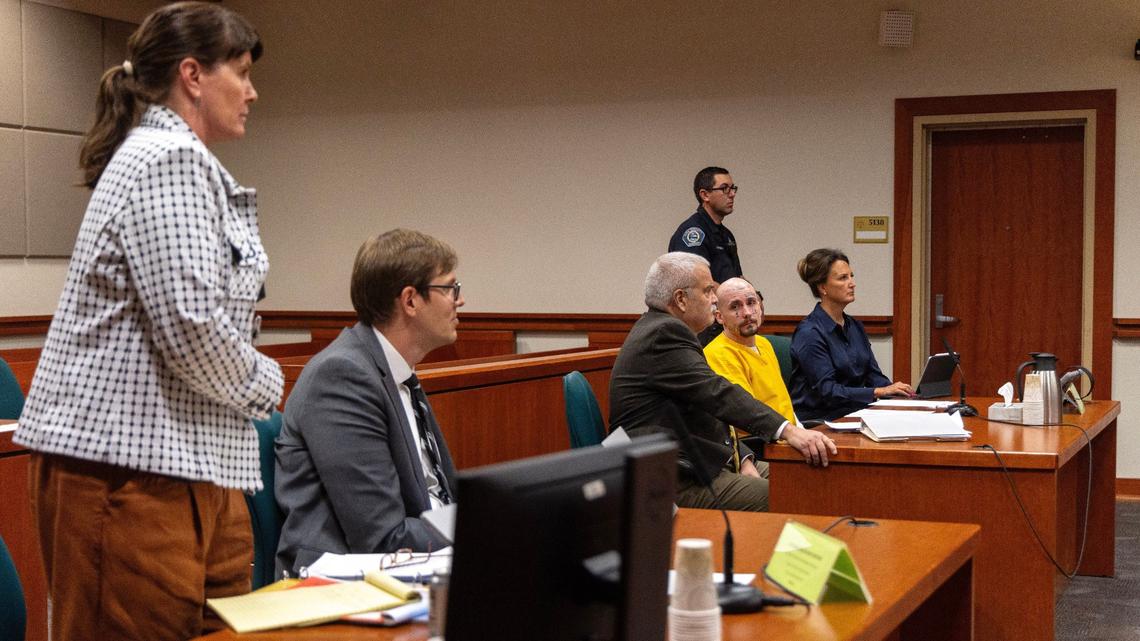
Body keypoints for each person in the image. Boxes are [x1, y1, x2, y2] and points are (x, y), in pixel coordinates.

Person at [14, 4, 281, 640]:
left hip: (189, 467)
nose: (251, 91)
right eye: (239, 73)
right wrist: (268, 383)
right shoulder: (168, 158)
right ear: (192, 74)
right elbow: (192, 326)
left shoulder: (181, 160)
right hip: (130, 476)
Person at [275, 229, 463, 576]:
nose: (459, 299)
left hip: (413, 565)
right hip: (340, 584)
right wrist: (475, 529)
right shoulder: (342, 375)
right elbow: (381, 537)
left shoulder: (396, 371)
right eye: (450, 288)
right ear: (410, 301)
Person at [609, 252, 836, 512]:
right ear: (681, 299)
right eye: (707, 291)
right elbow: (719, 395)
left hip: (699, 461)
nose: (715, 299)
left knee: (812, 481)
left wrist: (745, 457)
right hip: (673, 478)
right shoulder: (663, 334)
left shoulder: (665, 329)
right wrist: (788, 430)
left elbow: (707, 405)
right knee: (795, 495)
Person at [789, 248, 913, 420]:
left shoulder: (854, 326)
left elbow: (873, 375)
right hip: (822, 421)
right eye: (843, 278)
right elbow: (828, 391)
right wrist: (878, 392)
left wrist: (899, 394)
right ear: (823, 287)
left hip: (856, 414)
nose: (852, 283)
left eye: (851, 276)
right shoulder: (809, 333)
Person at [703, 278, 797, 425]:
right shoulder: (718, 354)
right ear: (720, 317)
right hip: (762, 441)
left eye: (751, 302)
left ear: (760, 307)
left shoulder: (764, 343)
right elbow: (748, 415)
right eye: (735, 307)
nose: (747, 313)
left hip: (792, 433)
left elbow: (781, 403)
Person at [668, 166, 743, 345]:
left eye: (733, 188)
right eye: (724, 188)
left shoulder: (726, 235)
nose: (731, 194)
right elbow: (697, 283)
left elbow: (736, 277)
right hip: (702, 326)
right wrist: (737, 299)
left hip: (725, 321)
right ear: (705, 195)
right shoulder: (693, 233)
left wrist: (753, 297)